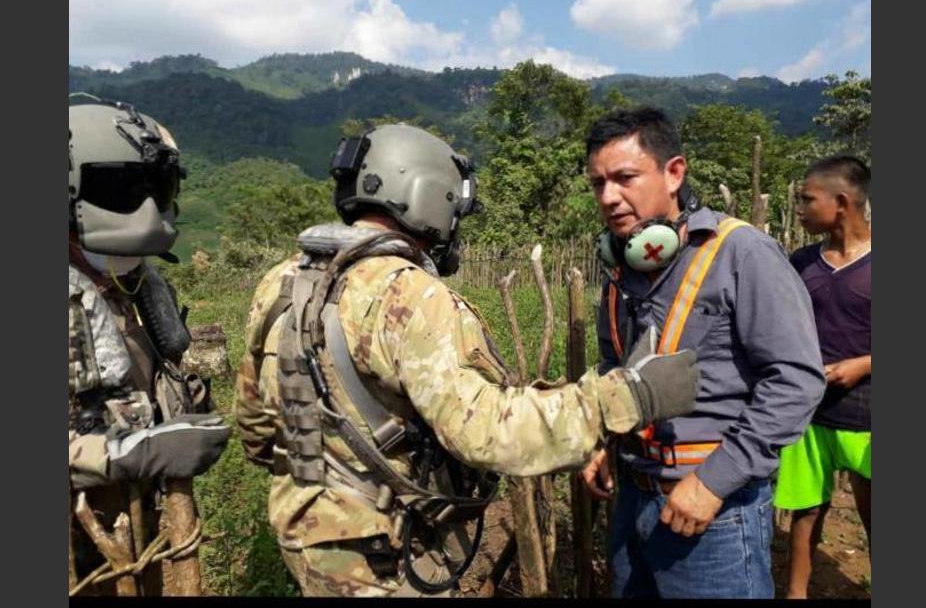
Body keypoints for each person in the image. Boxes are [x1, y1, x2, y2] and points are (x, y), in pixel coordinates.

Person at [234, 123, 700, 597]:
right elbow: (488, 435)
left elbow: (254, 426)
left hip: (302, 534)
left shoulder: (283, 281)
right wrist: (626, 398)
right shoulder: (412, 295)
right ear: (428, 195)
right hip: (382, 554)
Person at [579, 107, 826, 599]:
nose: (609, 197)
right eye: (598, 184)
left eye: (624, 178)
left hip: (715, 512)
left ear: (674, 172)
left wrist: (713, 482)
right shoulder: (622, 269)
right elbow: (618, 373)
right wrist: (605, 443)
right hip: (633, 498)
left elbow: (797, 379)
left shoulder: (742, 253)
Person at [68, 97, 231, 596]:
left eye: (156, 189)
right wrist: (116, 456)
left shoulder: (137, 287)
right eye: (119, 188)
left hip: (138, 535)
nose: (144, 210)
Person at [774, 155, 872, 599]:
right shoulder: (802, 263)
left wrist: (863, 365)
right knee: (805, 512)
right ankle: (796, 594)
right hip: (810, 414)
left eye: (806, 199)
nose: (799, 208)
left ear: (841, 202)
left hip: (868, 416)